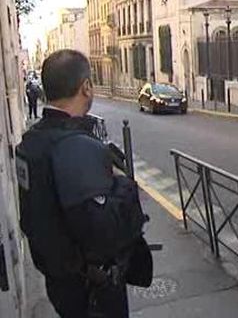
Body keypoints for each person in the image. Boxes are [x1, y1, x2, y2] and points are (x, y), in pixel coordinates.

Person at [15, 49, 152, 318]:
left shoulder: (31, 142)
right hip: (93, 291)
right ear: (86, 87)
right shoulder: (76, 145)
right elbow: (105, 233)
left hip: (60, 283)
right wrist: (124, 184)